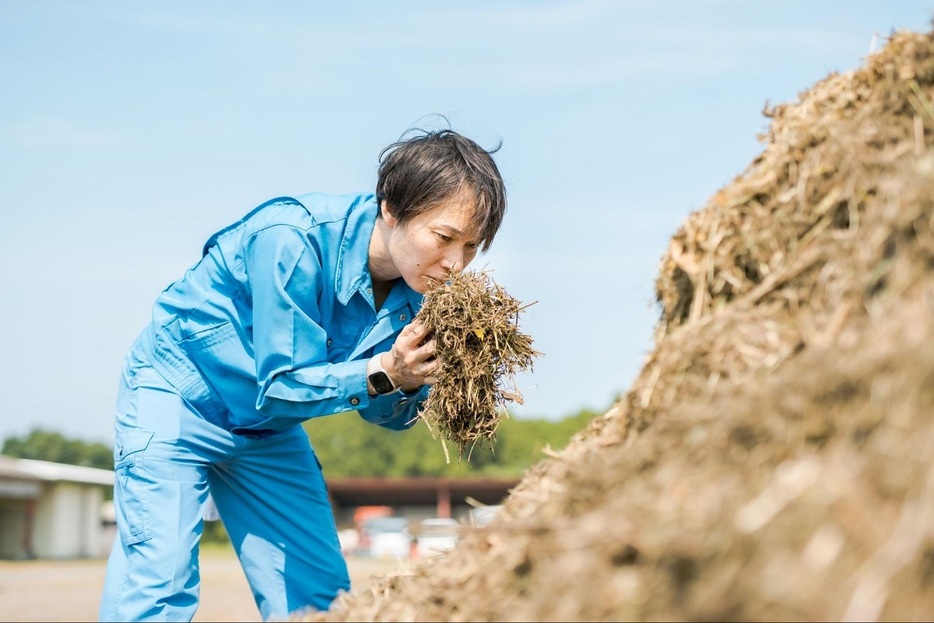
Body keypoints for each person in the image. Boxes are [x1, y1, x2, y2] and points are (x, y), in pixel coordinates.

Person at [98, 128, 507, 622]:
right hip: (178, 398)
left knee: (321, 599)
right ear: (391, 210)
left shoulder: (421, 294)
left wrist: (408, 379)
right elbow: (283, 385)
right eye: (444, 238)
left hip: (266, 429)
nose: (455, 264)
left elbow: (386, 414)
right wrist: (383, 370)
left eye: (471, 247)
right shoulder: (292, 240)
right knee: (159, 586)